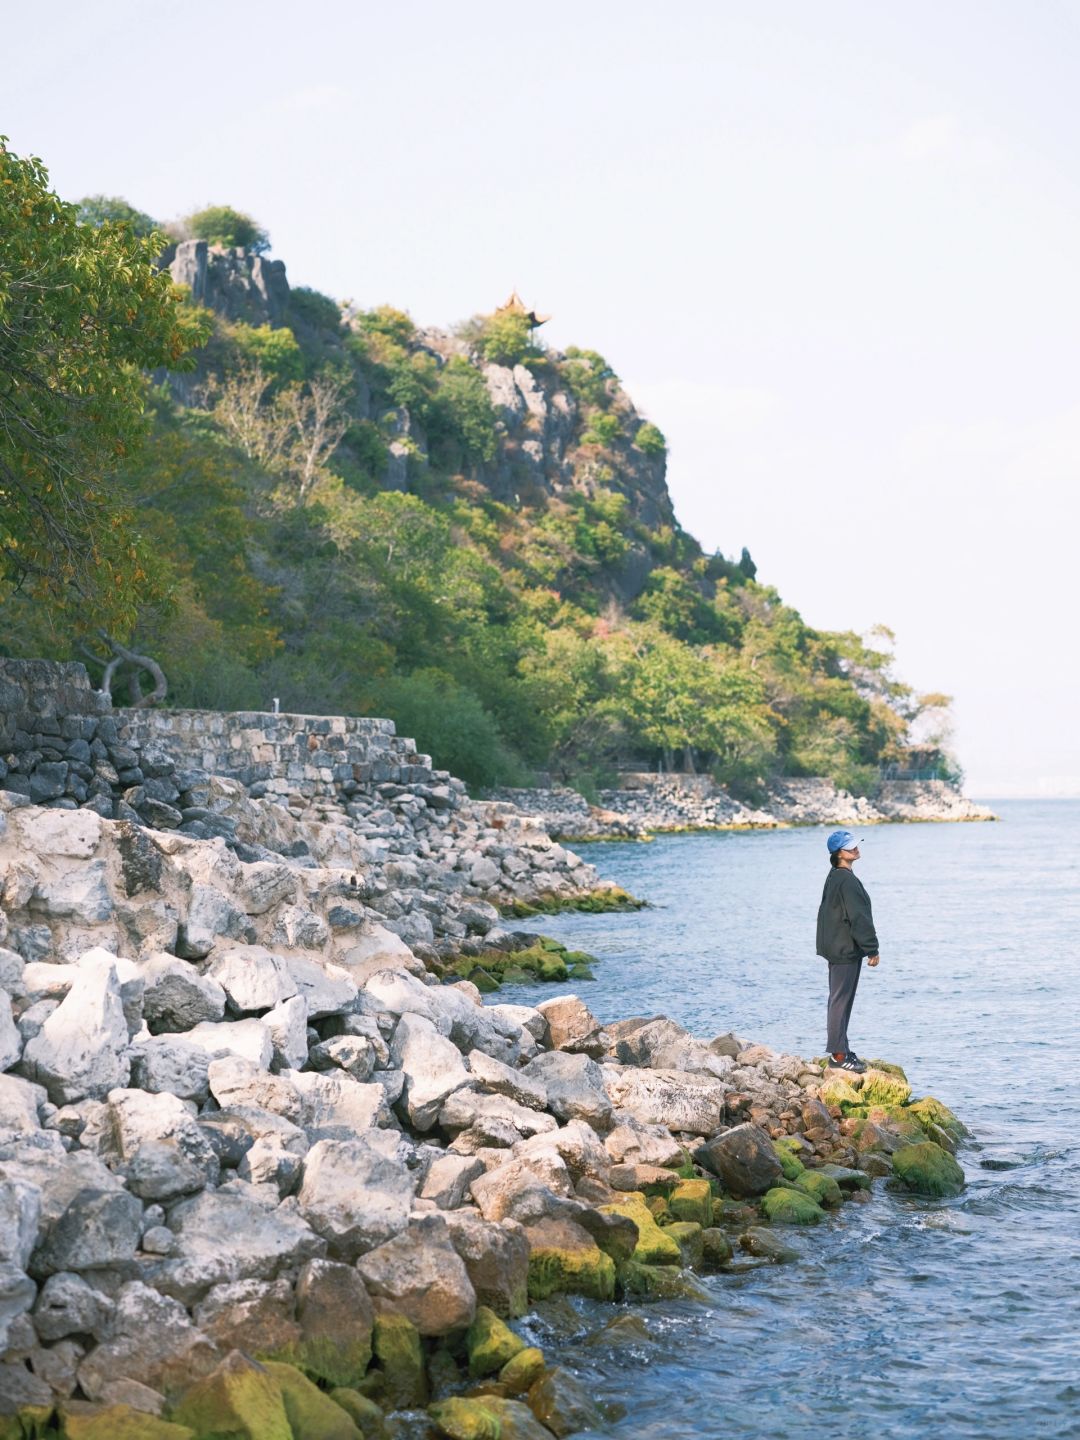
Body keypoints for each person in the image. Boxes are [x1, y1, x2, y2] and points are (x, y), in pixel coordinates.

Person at [815, 828, 880, 1073]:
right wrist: (871, 948)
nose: (856, 848)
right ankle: (839, 1055)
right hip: (844, 949)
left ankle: (841, 1048)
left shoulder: (836, 876)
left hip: (837, 947)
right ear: (839, 853)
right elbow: (858, 917)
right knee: (840, 1001)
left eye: (855, 844)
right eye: (850, 846)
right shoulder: (846, 879)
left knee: (839, 999)